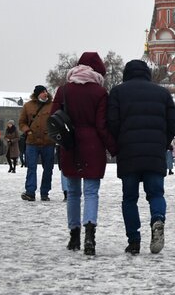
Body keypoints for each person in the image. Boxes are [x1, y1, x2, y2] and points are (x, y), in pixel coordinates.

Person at [107, 59, 175, 255]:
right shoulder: (162, 93)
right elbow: (172, 122)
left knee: (129, 198)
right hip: (154, 154)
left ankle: (134, 240)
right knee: (156, 194)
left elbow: (111, 121)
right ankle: (157, 219)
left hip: (128, 153)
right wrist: (162, 142)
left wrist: (120, 140)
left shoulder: (118, 92)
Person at [52, 52, 117, 256]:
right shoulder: (99, 93)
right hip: (93, 147)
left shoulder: (63, 90)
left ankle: (74, 235)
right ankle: (90, 235)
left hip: (69, 145)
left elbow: (53, 119)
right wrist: (113, 148)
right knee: (91, 193)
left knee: (72, 193)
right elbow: (102, 125)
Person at [19, 85, 55, 201]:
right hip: (32, 142)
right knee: (31, 167)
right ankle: (30, 192)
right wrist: (27, 131)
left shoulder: (53, 105)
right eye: (43, 92)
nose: (45, 94)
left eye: (46, 91)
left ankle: (45, 192)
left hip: (48, 142)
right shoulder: (28, 106)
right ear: (37, 94)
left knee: (48, 168)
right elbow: (22, 122)